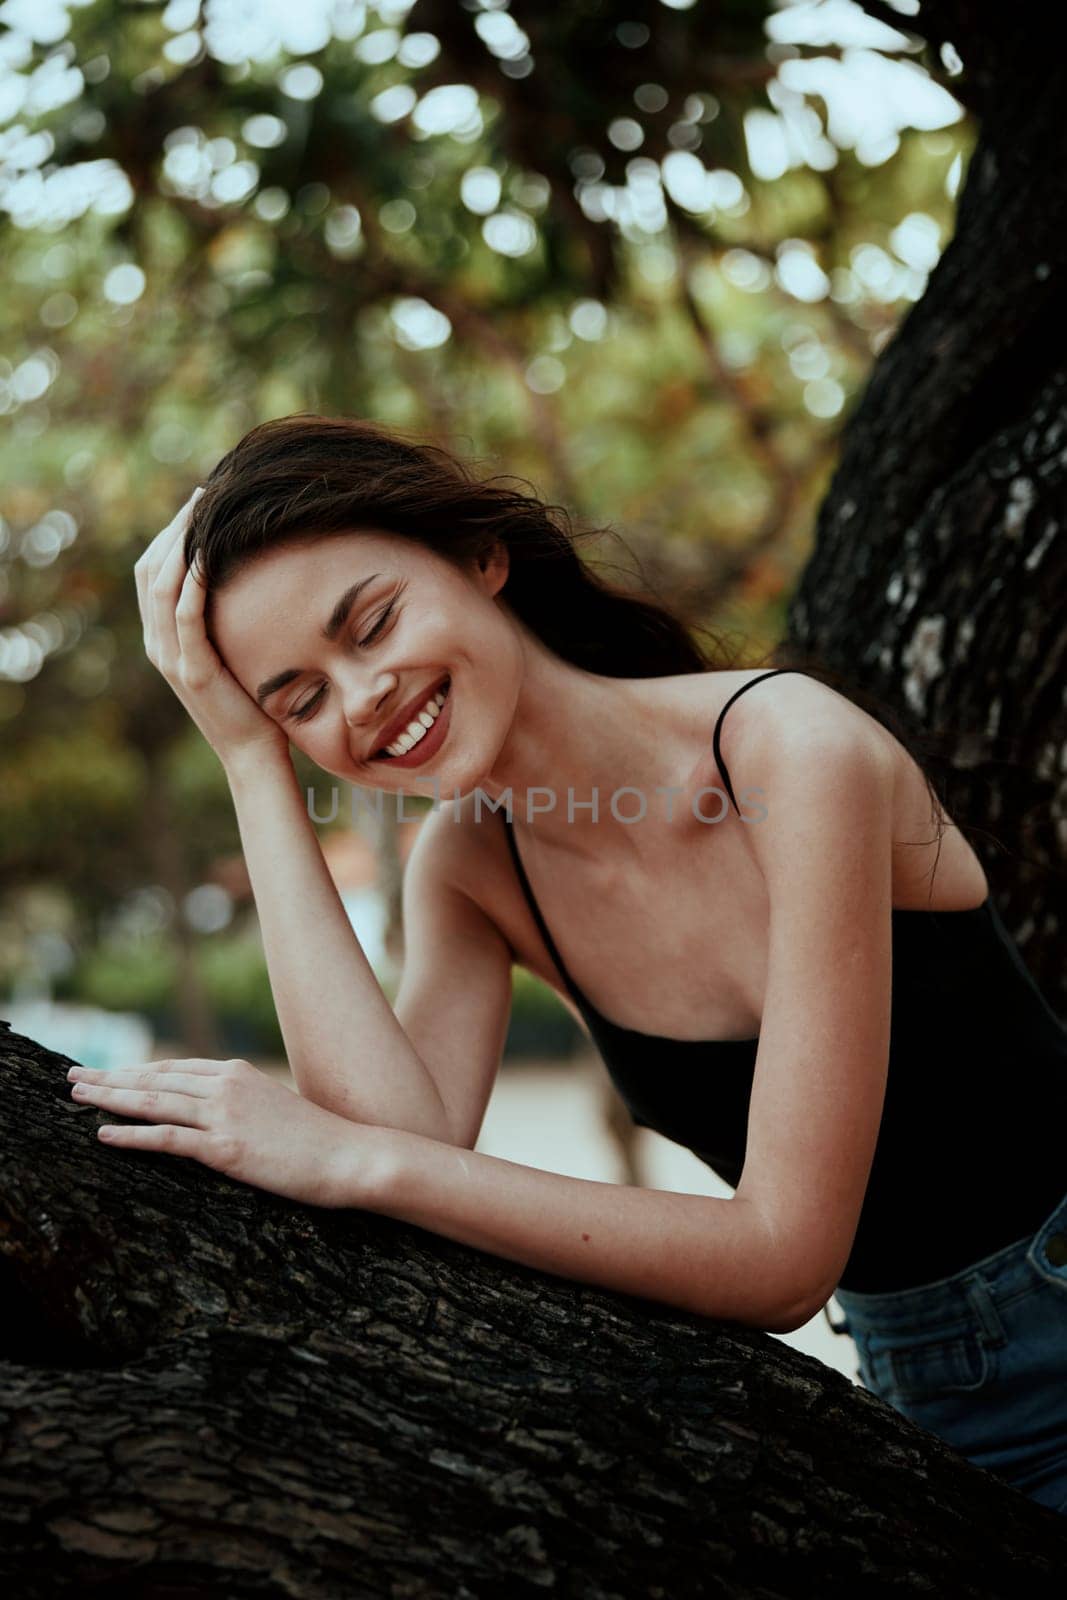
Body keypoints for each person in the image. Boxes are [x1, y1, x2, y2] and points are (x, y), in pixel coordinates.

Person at [67, 414, 1067, 1516]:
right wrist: (249, 761)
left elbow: (781, 1255)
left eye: (373, 623)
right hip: (919, 1384)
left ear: (482, 559)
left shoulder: (790, 748)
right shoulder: (471, 865)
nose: (361, 699)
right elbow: (393, 1133)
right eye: (299, 697)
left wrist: (349, 1161)